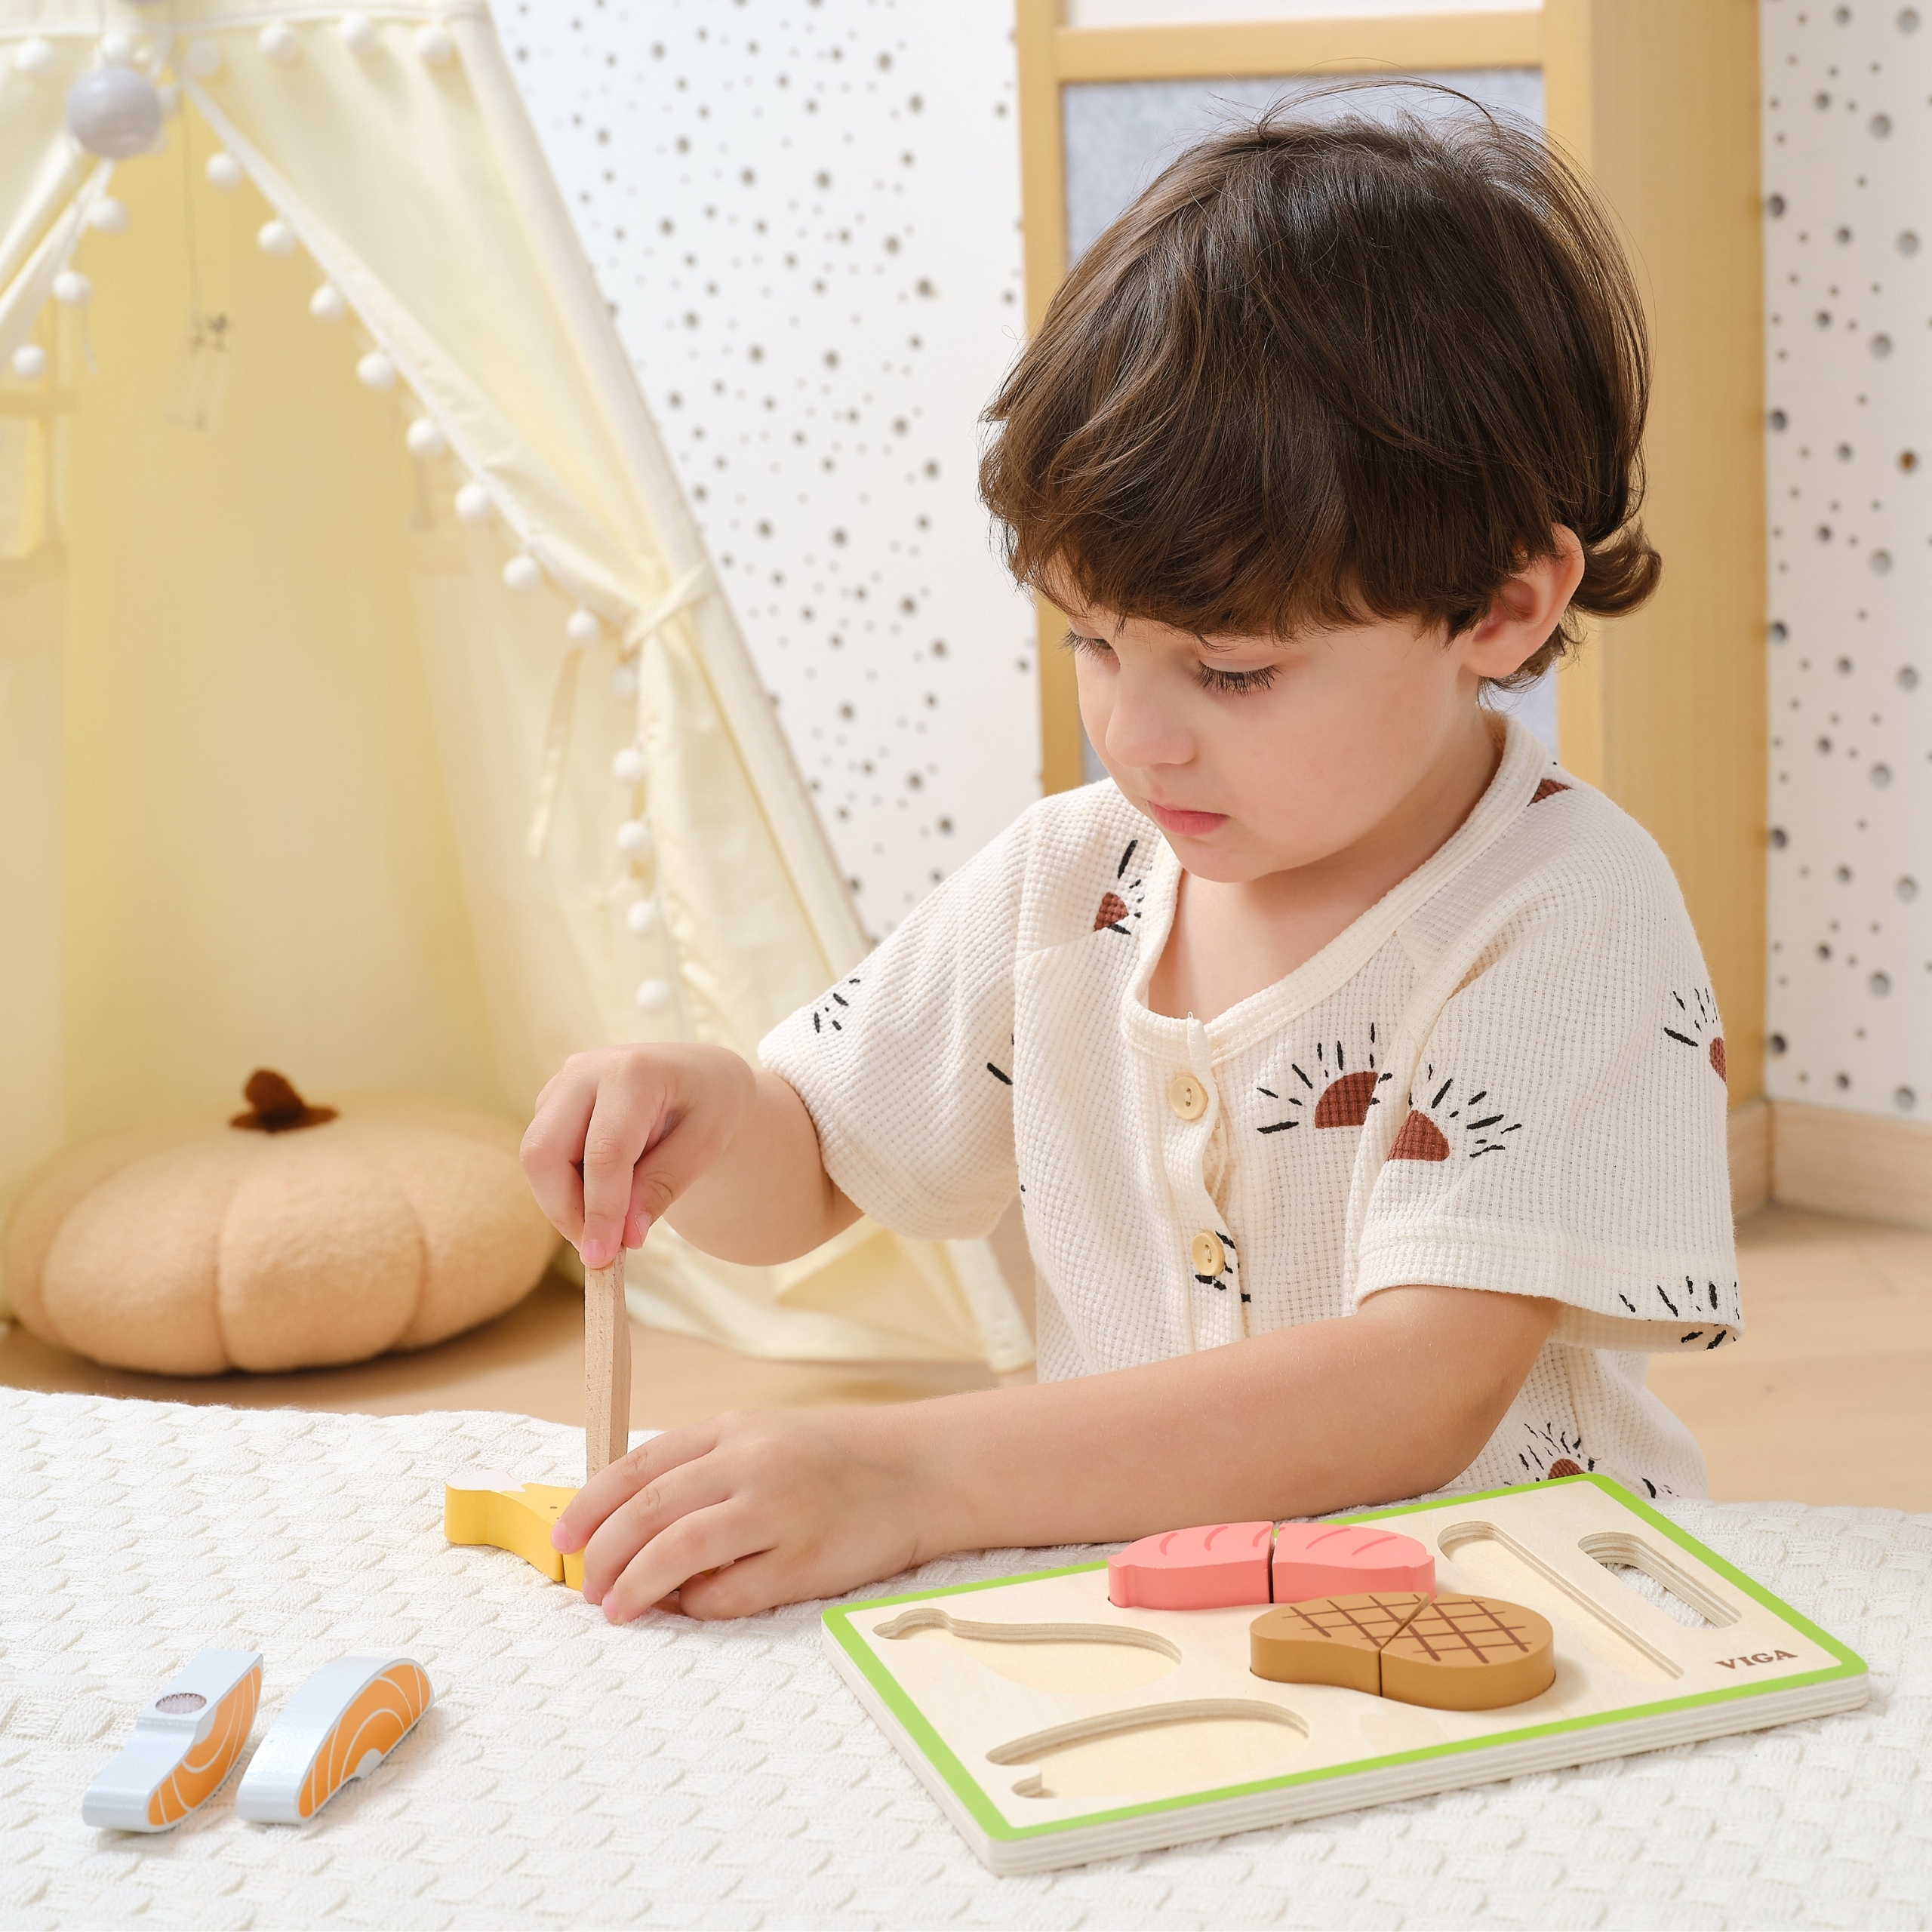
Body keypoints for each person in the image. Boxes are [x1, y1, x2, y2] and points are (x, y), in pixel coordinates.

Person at [521, 91, 1740, 1623]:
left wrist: (903, 1475)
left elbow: (1413, 1389)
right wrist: (704, 1118)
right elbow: (814, 1170)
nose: (1136, 738)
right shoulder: (1072, 878)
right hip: (1158, 1613)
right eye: (1093, 643)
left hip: (1516, 1624)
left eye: (1231, 672)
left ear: (1499, 608)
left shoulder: (1566, 909)